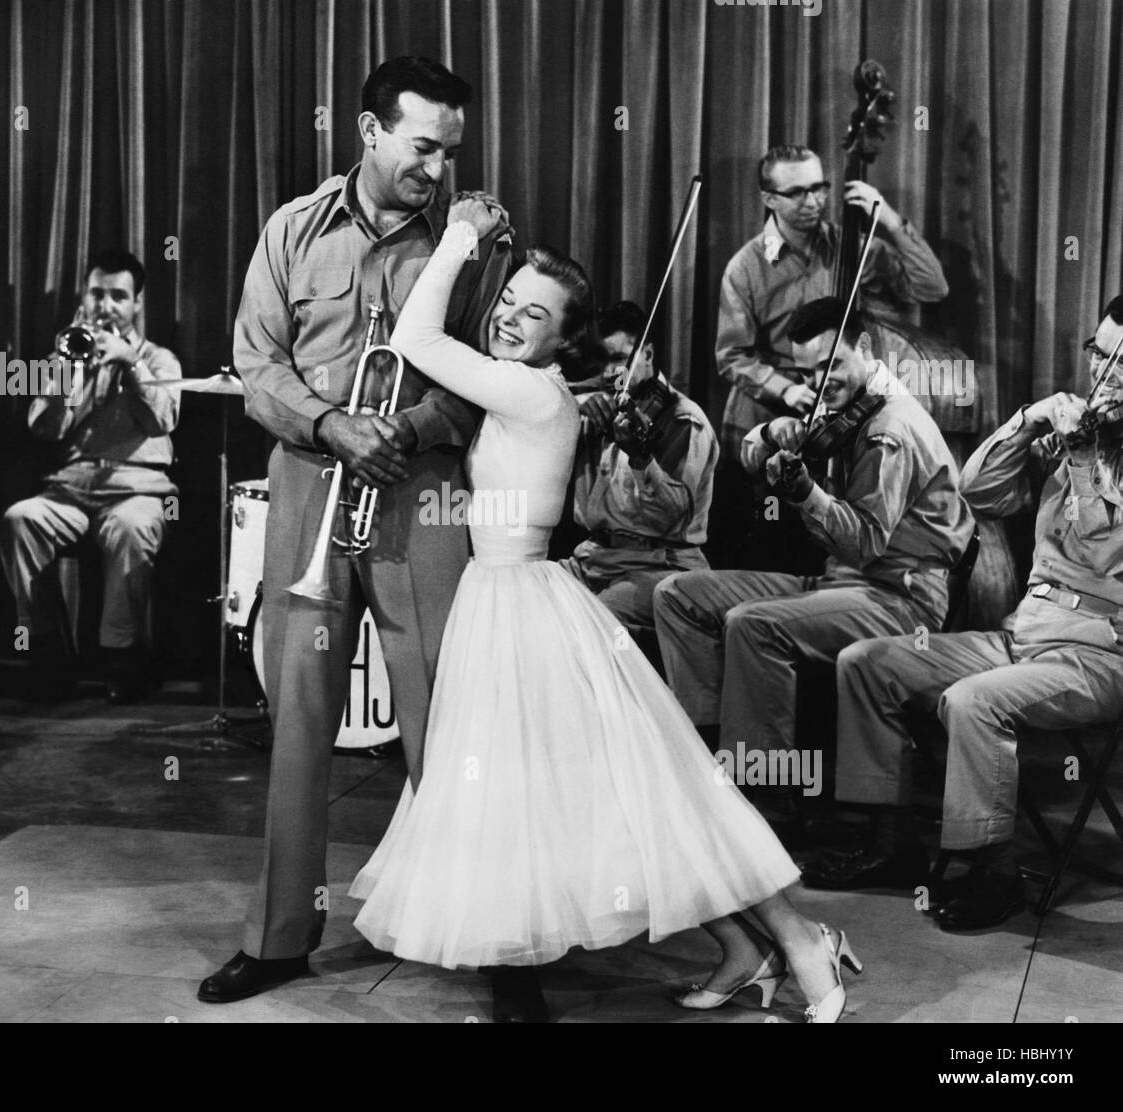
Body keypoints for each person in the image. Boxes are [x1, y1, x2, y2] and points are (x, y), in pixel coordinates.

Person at [348, 200, 861, 1024]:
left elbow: (413, 338)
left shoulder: (528, 393)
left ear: (563, 340)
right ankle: (744, 949)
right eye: (508, 301)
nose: (513, 319)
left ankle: (801, 938)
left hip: (522, 608)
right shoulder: (549, 392)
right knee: (619, 804)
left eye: (536, 314)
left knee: (652, 797)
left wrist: (460, 237)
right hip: (509, 601)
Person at [199, 56, 514, 1005]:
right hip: (308, 487)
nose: (438, 169)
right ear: (369, 132)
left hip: (422, 499)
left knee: (447, 727)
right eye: (423, 147)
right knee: (297, 723)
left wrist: (407, 431)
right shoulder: (292, 230)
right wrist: (336, 426)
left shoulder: (473, 238)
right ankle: (282, 938)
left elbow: (492, 377)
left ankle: (495, 942)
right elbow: (257, 365)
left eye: (452, 152)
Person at [808, 298, 1123, 930]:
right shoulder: (1078, 433)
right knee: (868, 663)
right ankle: (891, 843)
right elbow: (978, 490)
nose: (1104, 372)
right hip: (1025, 634)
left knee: (974, 702)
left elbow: (1099, 541)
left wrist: (1086, 460)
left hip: (1099, 652)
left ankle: (992, 869)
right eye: (1100, 352)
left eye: (1122, 362)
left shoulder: (1094, 449)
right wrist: (1031, 421)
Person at [652, 297, 974, 829]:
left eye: (830, 368)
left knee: (753, 624)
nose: (821, 387)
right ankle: (707, 753)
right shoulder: (839, 408)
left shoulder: (888, 427)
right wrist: (770, 435)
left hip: (898, 597)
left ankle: (768, 801)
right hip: (838, 584)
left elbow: (866, 542)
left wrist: (806, 495)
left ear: (865, 349)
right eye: (807, 375)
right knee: (679, 594)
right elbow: (753, 453)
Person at [714, 143, 949, 570]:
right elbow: (732, 355)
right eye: (798, 192)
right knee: (767, 529)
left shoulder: (851, 247)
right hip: (776, 402)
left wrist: (891, 223)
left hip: (843, 402)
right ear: (769, 199)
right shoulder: (746, 266)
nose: (814, 201)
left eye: (820, 188)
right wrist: (789, 391)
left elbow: (933, 288)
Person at [0, 249, 181, 704]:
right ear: (83, 298)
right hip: (71, 490)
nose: (106, 305)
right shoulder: (64, 358)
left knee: (132, 529)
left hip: (137, 488)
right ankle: (46, 649)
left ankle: (119, 656)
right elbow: (43, 428)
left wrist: (128, 364)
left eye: (118, 296)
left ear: (137, 303)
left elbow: (163, 419)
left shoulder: (160, 360)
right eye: (97, 293)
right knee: (19, 520)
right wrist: (72, 373)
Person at [561, 301, 717, 632]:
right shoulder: (593, 406)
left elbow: (670, 517)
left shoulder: (682, 419)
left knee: (593, 624)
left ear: (646, 353)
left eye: (619, 359)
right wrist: (571, 404)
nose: (607, 373)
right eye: (600, 360)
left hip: (659, 567)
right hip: (593, 559)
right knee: (523, 596)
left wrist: (640, 456)